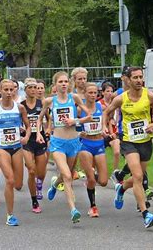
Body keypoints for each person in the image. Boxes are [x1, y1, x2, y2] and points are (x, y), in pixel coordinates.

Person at [103, 66, 153, 228]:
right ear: (128, 80)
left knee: (139, 177)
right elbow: (107, 112)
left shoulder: (149, 95)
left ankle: (121, 189)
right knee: (137, 175)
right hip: (128, 141)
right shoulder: (121, 98)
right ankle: (146, 214)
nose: (138, 80)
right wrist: (105, 128)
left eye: (140, 77)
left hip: (145, 141)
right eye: (135, 77)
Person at [36, 71, 92, 223]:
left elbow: (89, 116)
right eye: (60, 82)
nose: (63, 84)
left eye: (66, 81)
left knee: (68, 174)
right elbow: (40, 118)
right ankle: (73, 210)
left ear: (69, 83)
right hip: (58, 143)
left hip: (73, 142)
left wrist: (75, 121)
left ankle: (54, 184)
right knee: (67, 176)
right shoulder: (49, 101)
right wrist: (38, 134)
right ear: (55, 85)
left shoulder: (74, 98)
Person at [0, 79, 31, 226]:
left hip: (16, 147)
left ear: (14, 91)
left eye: (11, 90)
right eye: (6, 90)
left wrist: (26, 136)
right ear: (1, 90)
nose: (9, 93)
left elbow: (28, 126)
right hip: (1, 147)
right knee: (9, 180)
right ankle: (10, 215)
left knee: (18, 184)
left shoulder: (20, 108)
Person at [78, 82, 108, 217]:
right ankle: (93, 206)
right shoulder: (80, 109)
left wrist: (104, 129)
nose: (93, 95)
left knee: (103, 181)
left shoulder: (99, 106)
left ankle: (91, 178)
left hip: (99, 143)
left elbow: (103, 122)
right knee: (91, 179)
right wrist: (79, 132)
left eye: (95, 92)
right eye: (90, 92)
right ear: (84, 94)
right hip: (86, 144)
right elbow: (72, 124)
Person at [21, 78, 49, 213]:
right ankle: (34, 201)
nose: (33, 90)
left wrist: (48, 129)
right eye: (30, 87)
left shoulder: (42, 103)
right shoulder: (21, 106)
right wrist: (20, 130)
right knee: (31, 170)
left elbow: (49, 119)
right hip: (27, 141)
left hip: (40, 139)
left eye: (35, 87)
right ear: (25, 90)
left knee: (41, 172)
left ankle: (39, 185)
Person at [98, 82, 120, 172]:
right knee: (97, 153)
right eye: (107, 91)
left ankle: (115, 172)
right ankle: (95, 171)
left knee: (117, 151)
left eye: (111, 91)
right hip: (101, 132)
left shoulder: (115, 103)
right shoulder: (99, 104)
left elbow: (117, 117)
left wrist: (116, 126)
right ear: (103, 92)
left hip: (113, 132)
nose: (110, 93)